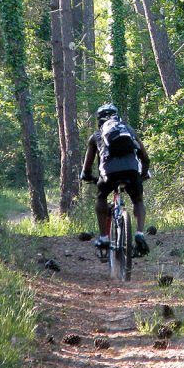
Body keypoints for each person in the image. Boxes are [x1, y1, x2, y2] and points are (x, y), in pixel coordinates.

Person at [80, 103, 152, 256]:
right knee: (138, 200)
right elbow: (145, 159)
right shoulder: (130, 131)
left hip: (109, 173)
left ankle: (104, 237)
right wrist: (142, 175)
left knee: (101, 197)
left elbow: (87, 167)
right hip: (132, 170)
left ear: (99, 120)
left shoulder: (96, 136)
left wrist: (87, 175)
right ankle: (139, 234)